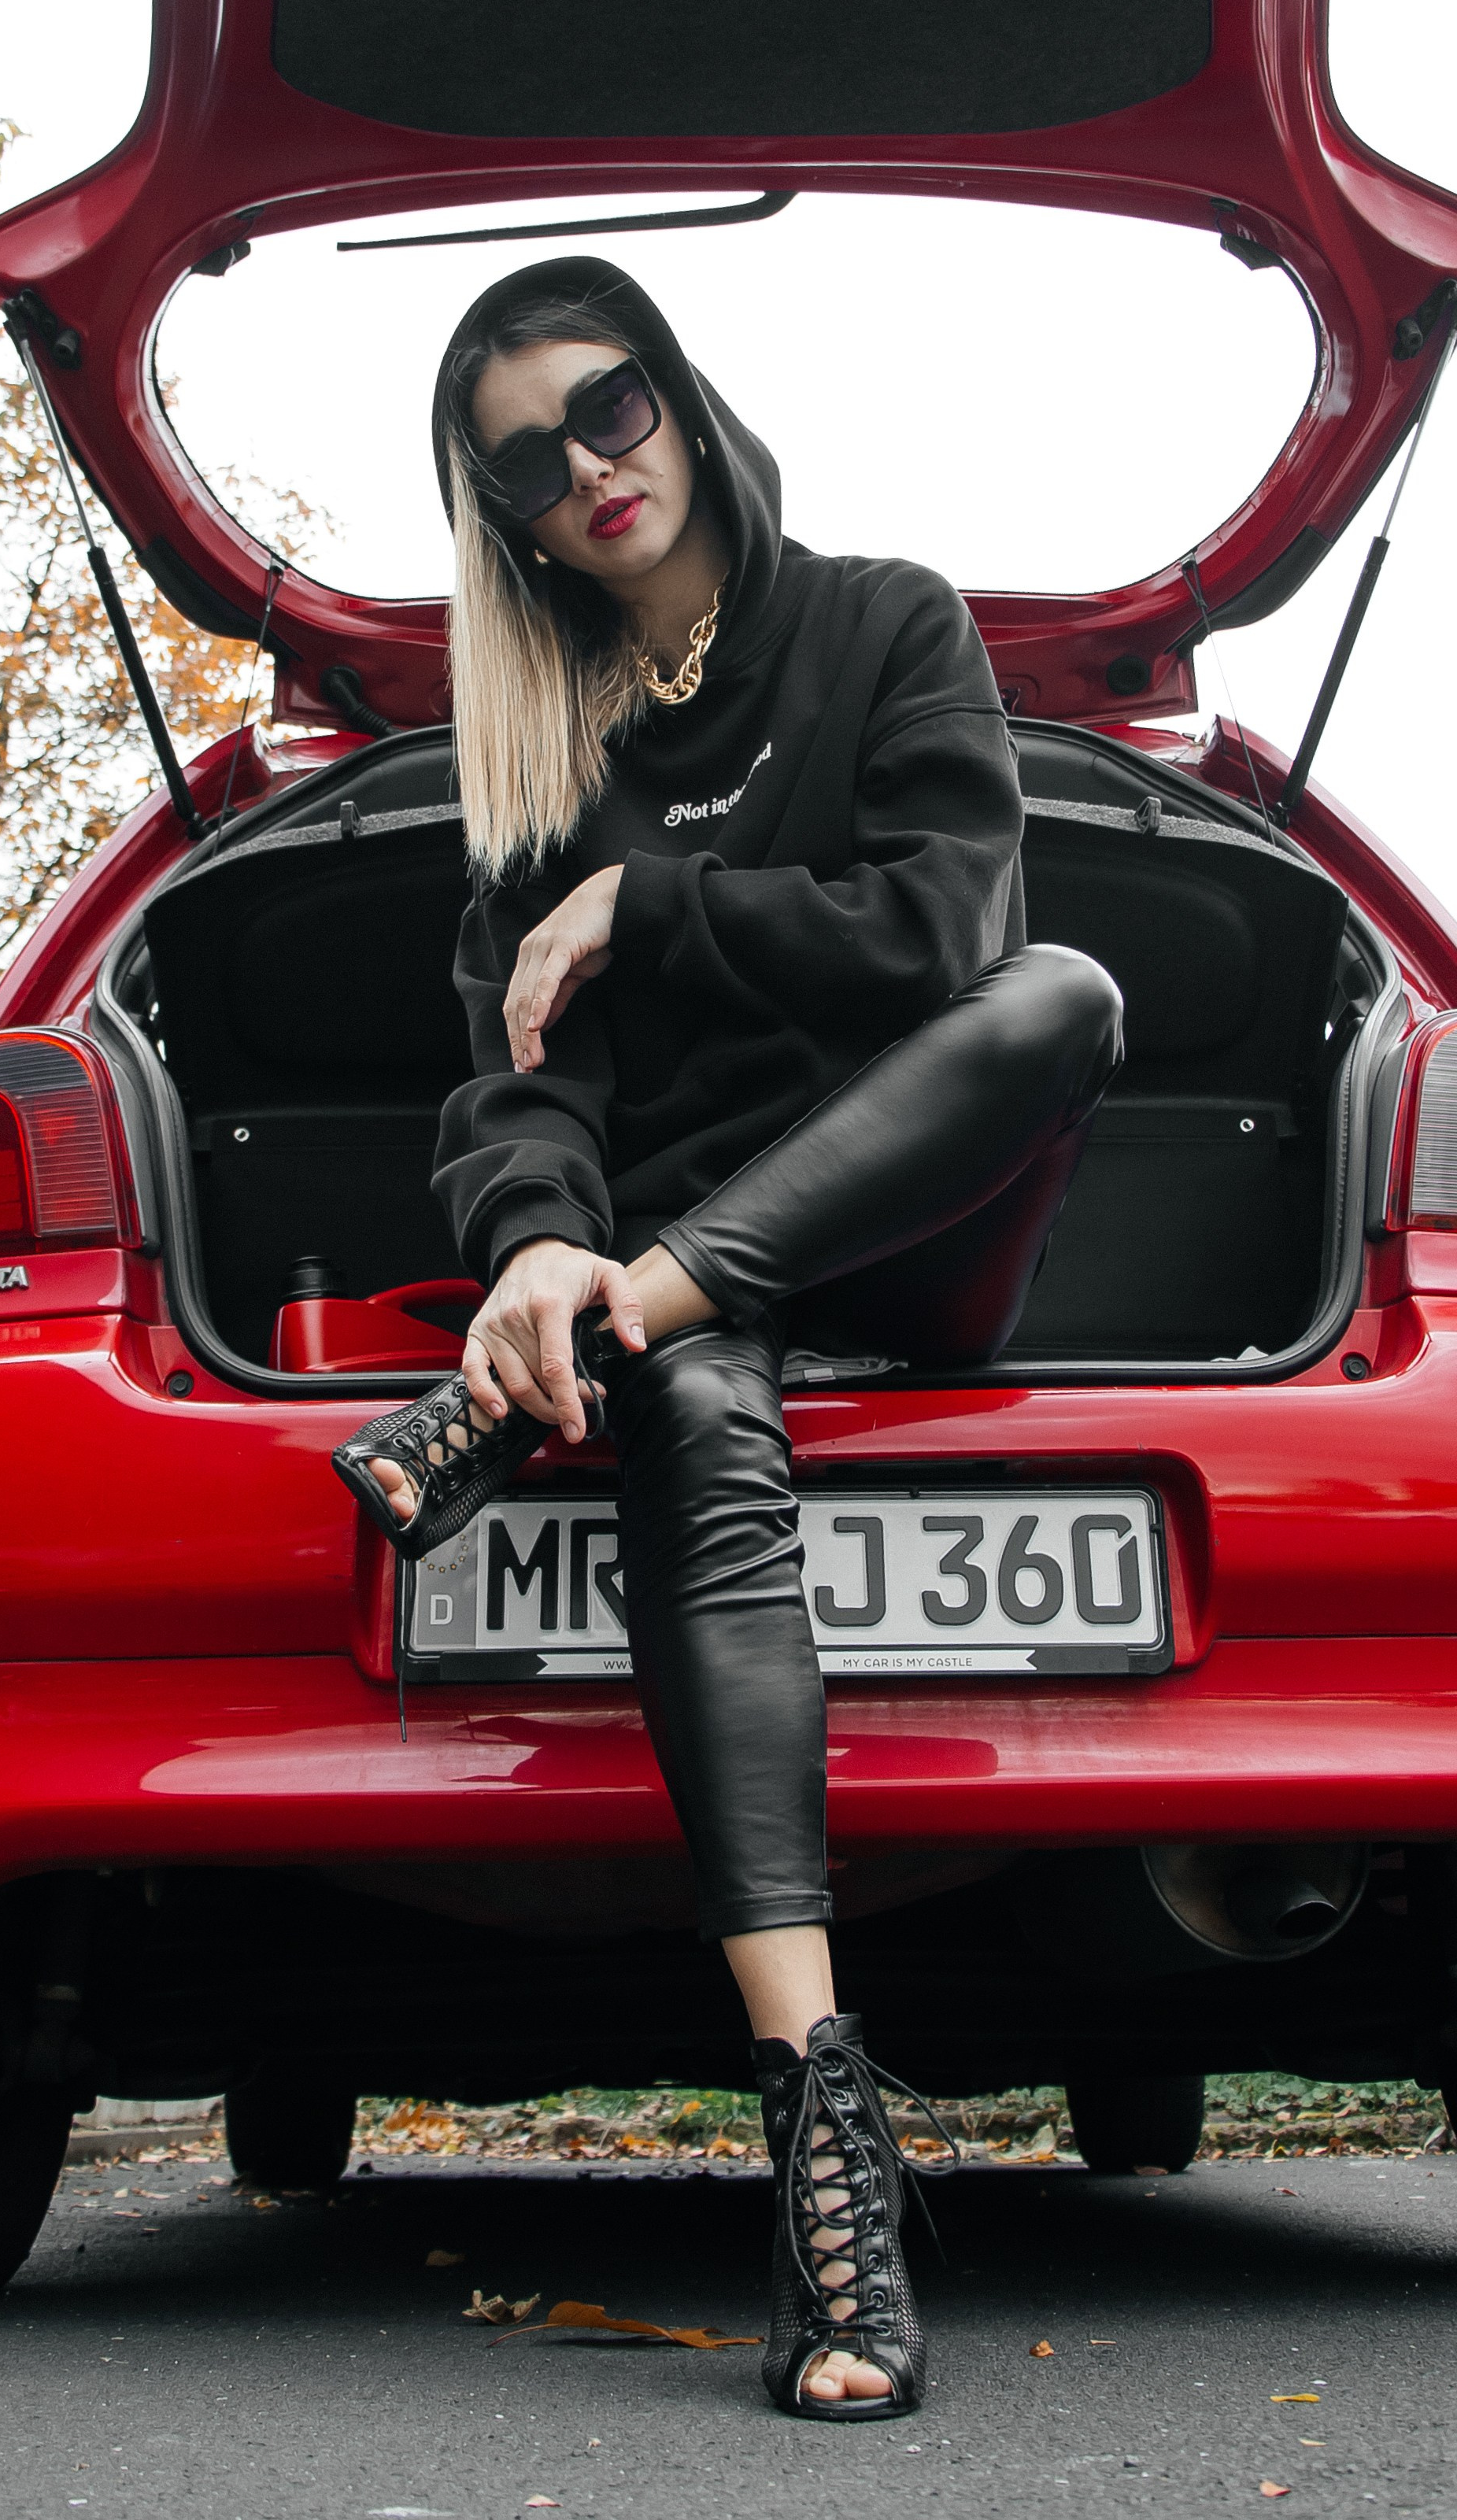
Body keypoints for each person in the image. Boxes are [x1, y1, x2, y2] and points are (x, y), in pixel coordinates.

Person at [335, 259, 1122, 2420]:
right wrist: (527, 1254)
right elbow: (519, 1093)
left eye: (606, 409)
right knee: (676, 1378)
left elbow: (950, 927)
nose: (582, 465)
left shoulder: (882, 621)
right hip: (678, 1280)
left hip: (915, 1222)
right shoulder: (535, 762)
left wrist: (660, 902)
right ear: (491, 508)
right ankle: (827, 2147)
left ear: (676, 398)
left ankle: (592, 1349)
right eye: (521, 454)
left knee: (1063, 995)